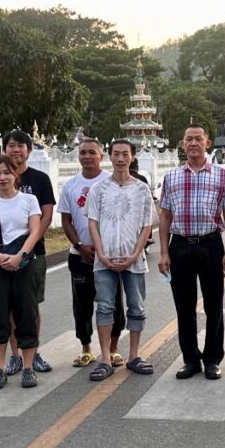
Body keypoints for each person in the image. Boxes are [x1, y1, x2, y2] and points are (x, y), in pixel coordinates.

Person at [158, 123, 225, 380]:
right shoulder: (171, 177)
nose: (193, 143)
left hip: (211, 245)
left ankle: (213, 359)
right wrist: (163, 252)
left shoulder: (222, 175)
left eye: (198, 139)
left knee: (214, 305)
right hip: (180, 245)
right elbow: (165, 216)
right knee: (184, 306)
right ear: (182, 144)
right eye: (188, 139)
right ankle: (190, 359)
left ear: (207, 143)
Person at [0, 129, 56, 376]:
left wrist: (28, 245)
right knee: (7, 308)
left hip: (32, 253)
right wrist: (2, 255)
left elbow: (46, 216)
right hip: (2, 257)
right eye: (11, 145)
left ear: (29, 149)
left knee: (30, 306)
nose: (15, 150)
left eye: (20, 145)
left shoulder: (40, 179)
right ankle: (14, 356)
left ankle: (32, 354)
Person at [86, 140, 155, 381]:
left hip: (133, 259)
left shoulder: (142, 189)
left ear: (132, 157)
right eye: (116, 154)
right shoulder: (98, 189)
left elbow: (147, 225)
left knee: (136, 307)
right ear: (109, 156)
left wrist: (136, 254)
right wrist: (101, 253)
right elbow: (92, 223)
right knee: (105, 307)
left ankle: (134, 355)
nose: (120, 159)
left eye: (125, 154)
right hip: (104, 260)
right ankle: (105, 358)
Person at [0, 155, 44, 389]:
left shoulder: (29, 200)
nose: (2, 177)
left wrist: (19, 256)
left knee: (27, 314)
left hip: (24, 264)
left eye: (6, 172)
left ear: (16, 174)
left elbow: (35, 231)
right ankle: (0, 369)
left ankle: (28, 368)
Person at [58, 139, 126, 368]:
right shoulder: (70, 185)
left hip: (108, 255)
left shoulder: (111, 182)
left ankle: (113, 348)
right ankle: (86, 348)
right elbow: (66, 220)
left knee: (113, 302)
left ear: (101, 156)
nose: (87, 157)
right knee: (82, 304)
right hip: (80, 255)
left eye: (91, 153)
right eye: (83, 153)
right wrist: (79, 245)